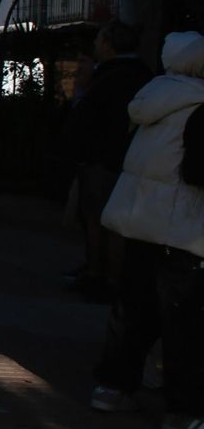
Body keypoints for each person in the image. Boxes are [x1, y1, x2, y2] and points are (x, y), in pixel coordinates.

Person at [91, 30, 204, 429]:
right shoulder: (198, 107)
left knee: (133, 309)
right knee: (185, 322)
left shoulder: (154, 99)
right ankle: (183, 410)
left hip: (141, 223)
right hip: (185, 229)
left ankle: (112, 386)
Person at [61, 21, 151, 297]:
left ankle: (102, 275)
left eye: (100, 40)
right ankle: (102, 271)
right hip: (126, 158)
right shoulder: (143, 74)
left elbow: (89, 117)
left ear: (109, 44)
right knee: (108, 220)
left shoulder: (112, 76)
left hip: (103, 159)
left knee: (101, 220)